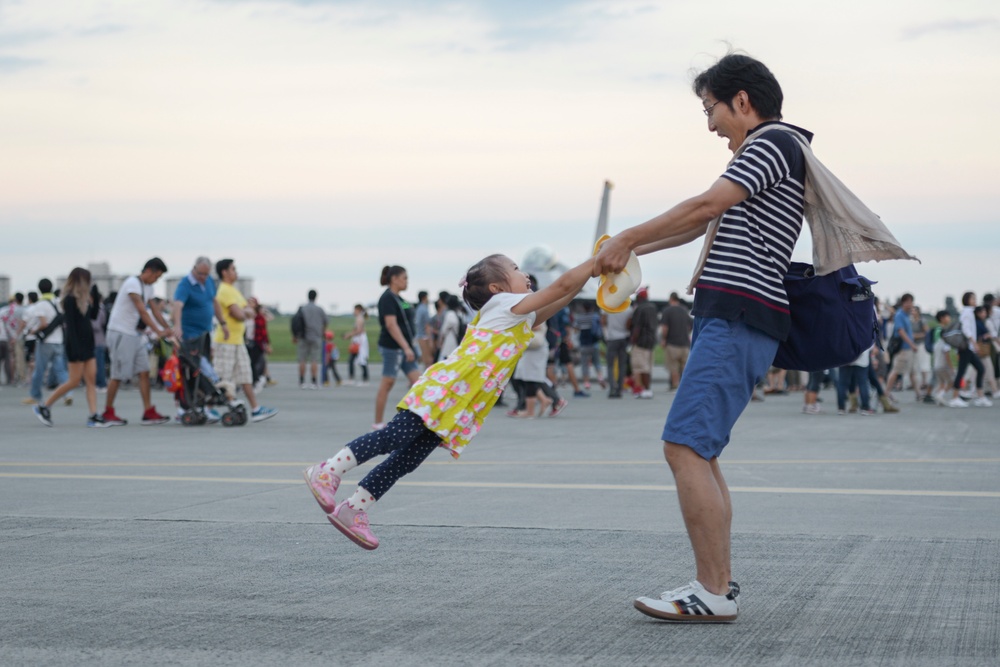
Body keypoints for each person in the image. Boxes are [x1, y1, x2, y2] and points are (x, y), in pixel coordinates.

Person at [594, 53, 834, 622]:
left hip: (738, 315)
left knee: (683, 448)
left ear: (742, 102)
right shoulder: (776, 149)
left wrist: (626, 234)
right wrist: (624, 252)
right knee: (701, 452)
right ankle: (718, 585)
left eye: (711, 110)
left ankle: (710, 590)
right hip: (740, 318)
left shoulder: (772, 143)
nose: (709, 125)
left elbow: (705, 205)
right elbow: (701, 223)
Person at [303, 253, 594, 550]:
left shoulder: (518, 315)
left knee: (408, 459)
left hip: (459, 402)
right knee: (393, 437)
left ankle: (354, 509)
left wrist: (591, 277)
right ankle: (327, 471)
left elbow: (560, 299)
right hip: (445, 389)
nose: (525, 274)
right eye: (516, 269)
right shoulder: (504, 305)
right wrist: (596, 263)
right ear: (496, 288)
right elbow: (559, 288)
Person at [32, 268, 105, 427]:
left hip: (87, 344)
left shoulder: (84, 300)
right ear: (81, 281)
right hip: (76, 346)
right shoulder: (70, 300)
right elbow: (71, 328)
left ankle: (93, 415)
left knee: (91, 381)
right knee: (73, 381)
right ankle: (44, 406)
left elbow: (92, 317)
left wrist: (96, 298)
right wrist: (76, 348)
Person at [102, 258, 172, 425]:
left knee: (144, 371)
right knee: (118, 374)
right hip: (120, 332)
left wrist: (168, 328)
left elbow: (154, 311)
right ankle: (107, 412)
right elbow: (142, 311)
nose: (157, 279)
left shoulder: (148, 287)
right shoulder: (132, 283)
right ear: (148, 271)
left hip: (133, 334)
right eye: (157, 276)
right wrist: (159, 332)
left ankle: (148, 411)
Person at [212, 259, 278, 422]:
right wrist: (246, 311)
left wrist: (247, 311)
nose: (236, 272)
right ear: (224, 272)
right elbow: (239, 314)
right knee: (222, 376)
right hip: (226, 340)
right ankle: (209, 408)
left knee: (245, 373)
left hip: (237, 340)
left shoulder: (234, 291)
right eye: (233, 269)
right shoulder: (225, 291)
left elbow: (250, 311)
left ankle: (256, 409)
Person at [373, 265, 420, 430]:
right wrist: (406, 347)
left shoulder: (400, 299)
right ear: (394, 279)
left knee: (418, 383)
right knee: (387, 382)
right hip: (392, 348)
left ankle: (420, 420)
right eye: (404, 278)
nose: (407, 281)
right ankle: (378, 423)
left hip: (405, 348)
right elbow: (391, 325)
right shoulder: (387, 299)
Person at [24, 279, 71, 407]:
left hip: (46, 342)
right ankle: (68, 394)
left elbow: (44, 323)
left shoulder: (41, 304)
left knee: (39, 369)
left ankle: (35, 395)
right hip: (59, 340)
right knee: (61, 370)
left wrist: (34, 331)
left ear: (40, 289)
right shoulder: (58, 302)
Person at [948, 292, 991, 407]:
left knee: (980, 369)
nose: (975, 300)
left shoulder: (970, 312)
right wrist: (974, 342)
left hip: (969, 348)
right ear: (967, 300)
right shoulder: (967, 313)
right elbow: (966, 330)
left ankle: (980, 397)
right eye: (973, 298)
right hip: (966, 347)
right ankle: (955, 398)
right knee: (962, 371)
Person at [885, 294, 920, 404]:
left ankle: (918, 394)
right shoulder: (900, 315)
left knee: (913, 372)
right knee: (896, 371)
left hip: (909, 348)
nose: (910, 304)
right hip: (903, 349)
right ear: (903, 303)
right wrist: (911, 344)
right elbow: (901, 332)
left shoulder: (907, 315)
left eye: (911, 302)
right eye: (908, 302)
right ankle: (886, 393)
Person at [629, 287, 658, 399]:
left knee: (640, 367)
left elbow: (637, 327)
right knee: (648, 366)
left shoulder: (640, 309)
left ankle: (646, 389)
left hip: (641, 342)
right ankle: (646, 389)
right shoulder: (653, 307)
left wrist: (633, 340)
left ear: (640, 297)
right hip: (651, 341)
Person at [660, 292, 693, 390]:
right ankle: (684, 387)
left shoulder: (667, 311)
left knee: (673, 367)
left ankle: (675, 386)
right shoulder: (684, 310)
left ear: (671, 299)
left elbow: (664, 328)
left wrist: (663, 339)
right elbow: (690, 325)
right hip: (685, 344)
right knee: (684, 367)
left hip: (672, 343)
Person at [295, 289, 326, 389]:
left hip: (303, 336)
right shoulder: (319, 309)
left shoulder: (303, 308)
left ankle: (302, 381)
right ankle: (313, 381)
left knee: (302, 360)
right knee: (314, 360)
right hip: (316, 336)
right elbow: (325, 321)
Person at [603, 304, 632, 399]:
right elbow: (629, 325)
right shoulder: (628, 309)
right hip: (623, 337)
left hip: (612, 338)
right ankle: (619, 389)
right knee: (622, 365)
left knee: (610, 365)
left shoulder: (609, 305)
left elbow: (603, 321)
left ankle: (612, 388)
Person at [345, 304, 370, 386]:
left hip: (360, 340)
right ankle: (355, 378)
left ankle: (364, 379)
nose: (353, 312)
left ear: (358, 310)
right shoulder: (359, 318)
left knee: (361, 360)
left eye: (355, 310)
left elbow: (359, 331)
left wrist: (349, 335)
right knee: (354, 359)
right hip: (358, 340)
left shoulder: (359, 319)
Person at [436, 294, 464, 360]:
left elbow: (444, 330)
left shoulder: (450, 314)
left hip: (449, 340)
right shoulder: (459, 313)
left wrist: (439, 341)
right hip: (457, 340)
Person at [414, 291, 434, 367]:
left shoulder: (418, 308)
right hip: (424, 337)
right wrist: (430, 340)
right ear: (424, 298)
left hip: (419, 335)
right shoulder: (424, 309)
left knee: (425, 359)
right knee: (429, 360)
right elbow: (427, 325)